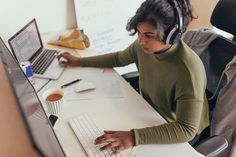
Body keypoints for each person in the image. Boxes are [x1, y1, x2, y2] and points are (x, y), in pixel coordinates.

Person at [57, 0, 209, 154]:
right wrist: (80, 61)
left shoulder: (188, 71)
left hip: (176, 128)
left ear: (172, 35)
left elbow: (186, 129)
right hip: (149, 111)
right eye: (139, 32)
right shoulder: (143, 47)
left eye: (149, 35)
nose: (141, 41)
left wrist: (134, 137)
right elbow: (119, 58)